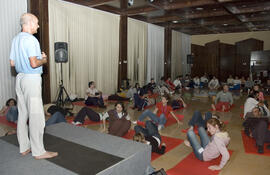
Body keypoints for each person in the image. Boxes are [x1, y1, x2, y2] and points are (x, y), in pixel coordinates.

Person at [9, 13, 57, 159]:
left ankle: (24, 147)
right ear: (29, 24)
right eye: (36, 23)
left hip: (20, 78)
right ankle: (39, 151)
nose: (38, 26)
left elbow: (12, 63)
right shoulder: (31, 40)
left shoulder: (16, 39)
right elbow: (34, 63)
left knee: (23, 113)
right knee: (36, 115)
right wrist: (44, 59)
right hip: (31, 78)